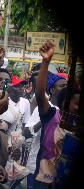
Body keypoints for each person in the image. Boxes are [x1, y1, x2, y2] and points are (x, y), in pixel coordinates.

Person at [34, 42, 80, 188]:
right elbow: (40, 95)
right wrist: (46, 61)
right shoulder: (52, 114)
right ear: (64, 103)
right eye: (76, 103)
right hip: (45, 181)